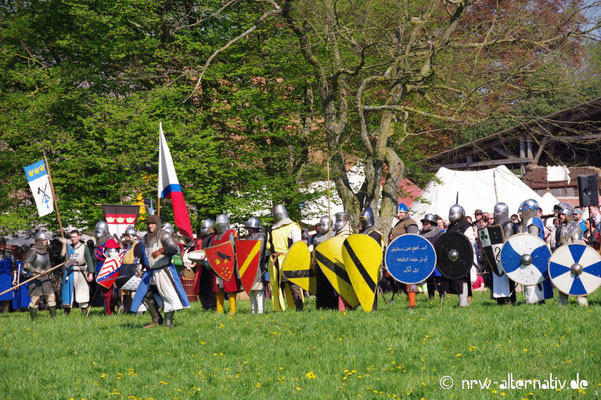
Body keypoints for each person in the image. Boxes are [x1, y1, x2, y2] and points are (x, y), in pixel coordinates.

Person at [131, 215, 190, 328]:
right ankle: (156, 319)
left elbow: (174, 248)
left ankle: (169, 322)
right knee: (145, 294)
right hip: (150, 272)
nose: (150, 225)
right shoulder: (145, 238)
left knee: (168, 295)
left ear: (157, 224)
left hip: (164, 270)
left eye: (152, 223)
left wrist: (161, 251)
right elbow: (144, 255)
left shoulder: (164, 235)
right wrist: (140, 265)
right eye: (148, 223)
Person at [267, 203, 303, 311]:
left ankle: (298, 308)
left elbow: (297, 245)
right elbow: (268, 247)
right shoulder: (272, 229)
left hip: (289, 259)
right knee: (277, 287)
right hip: (275, 261)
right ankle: (278, 309)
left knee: (294, 284)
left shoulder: (293, 227)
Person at [519, 199, 553, 304]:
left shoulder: (534, 221)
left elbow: (533, 240)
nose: (521, 214)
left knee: (534, 278)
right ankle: (533, 299)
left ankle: (535, 300)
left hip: (535, 255)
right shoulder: (531, 221)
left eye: (523, 211)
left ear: (528, 211)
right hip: (531, 255)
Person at [23, 231, 60, 320]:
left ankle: (54, 318)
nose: (46, 242)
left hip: (45, 278)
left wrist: (53, 278)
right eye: (45, 240)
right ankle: (33, 320)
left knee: (51, 298)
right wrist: (38, 271)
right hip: (35, 278)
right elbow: (26, 265)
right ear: (39, 241)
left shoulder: (46, 253)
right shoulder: (32, 252)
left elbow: (48, 266)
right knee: (35, 300)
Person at [388, 203, 419, 308]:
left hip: (408, 255)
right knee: (399, 277)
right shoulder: (398, 224)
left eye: (401, 212)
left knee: (410, 279)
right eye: (398, 212)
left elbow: (412, 238)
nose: (399, 214)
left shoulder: (410, 222)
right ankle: (408, 297)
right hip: (398, 255)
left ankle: (412, 303)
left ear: (406, 212)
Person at [445, 205, 475, 307]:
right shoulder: (451, 226)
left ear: (461, 214)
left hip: (463, 256)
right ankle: (461, 301)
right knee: (456, 278)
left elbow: (470, 241)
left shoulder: (466, 226)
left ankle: (464, 302)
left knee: (463, 278)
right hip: (452, 257)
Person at [211, 214, 241, 314]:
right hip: (218, 265)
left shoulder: (230, 233)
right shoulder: (215, 236)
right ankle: (219, 310)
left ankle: (232, 309)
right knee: (219, 287)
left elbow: (232, 247)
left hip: (228, 264)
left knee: (231, 288)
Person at [60, 230, 94, 315]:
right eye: (71, 237)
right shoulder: (68, 247)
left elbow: (89, 261)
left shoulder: (84, 247)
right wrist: (64, 245)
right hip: (69, 272)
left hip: (80, 272)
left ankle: (84, 314)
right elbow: (61, 257)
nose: (73, 239)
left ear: (79, 237)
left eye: (74, 237)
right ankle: (66, 314)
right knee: (67, 293)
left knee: (82, 292)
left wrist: (91, 273)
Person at [489, 202, 516, 305]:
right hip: (495, 254)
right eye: (495, 212)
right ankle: (499, 299)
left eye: (498, 212)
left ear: (504, 212)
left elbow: (507, 239)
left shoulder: (508, 223)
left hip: (505, 254)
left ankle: (509, 299)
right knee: (497, 277)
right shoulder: (494, 225)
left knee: (507, 278)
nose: (496, 214)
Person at [358, 207, 383, 310]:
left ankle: (373, 307)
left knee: (371, 287)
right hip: (361, 263)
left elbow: (373, 250)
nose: (362, 222)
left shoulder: (374, 233)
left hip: (371, 264)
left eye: (364, 220)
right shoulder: (362, 232)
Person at [312, 216, 337, 310]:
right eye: (320, 224)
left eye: (324, 224)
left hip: (331, 265)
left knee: (330, 286)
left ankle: (332, 305)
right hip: (319, 265)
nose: (321, 226)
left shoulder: (334, 234)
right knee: (321, 287)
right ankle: (321, 306)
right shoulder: (317, 237)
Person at [419, 214, 445, 300]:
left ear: (432, 223)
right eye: (424, 222)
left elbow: (442, 246)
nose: (425, 224)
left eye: (427, 222)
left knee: (438, 279)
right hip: (426, 259)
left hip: (437, 259)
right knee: (429, 280)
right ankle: (431, 298)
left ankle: (442, 297)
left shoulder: (439, 232)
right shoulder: (421, 233)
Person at [192, 219, 217, 311]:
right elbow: (196, 250)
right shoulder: (200, 238)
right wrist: (194, 261)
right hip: (201, 266)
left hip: (212, 266)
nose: (202, 230)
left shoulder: (214, 237)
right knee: (201, 288)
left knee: (212, 287)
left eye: (204, 228)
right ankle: (205, 306)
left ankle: (214, 306)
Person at [244, 217, 267, 314]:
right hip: (248, 266)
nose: (248, 229)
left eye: (250, 227)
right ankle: (253, 310)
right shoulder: (248, 237)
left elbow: (259, 253)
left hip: (258, 265)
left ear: (255, 227)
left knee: (258, 289)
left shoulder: (261, 237)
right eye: (248, 227)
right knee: (251, 290)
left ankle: (260, 311)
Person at [93, 220, 115, 315]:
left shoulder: (110, 241)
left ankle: (109, 311)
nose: (97, 233)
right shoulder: (99, 243)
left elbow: (114, 258)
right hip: (99, 267)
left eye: (99, 231)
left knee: (108, 292)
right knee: (104, 292)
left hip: (107, 268)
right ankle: (107, 310)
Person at [0, 238, 15, 313]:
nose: (1, 245)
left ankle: (5, 312)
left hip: (6, 276)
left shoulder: (9, 254)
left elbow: (13, 266)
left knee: (6, 295)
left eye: (2, 243)